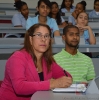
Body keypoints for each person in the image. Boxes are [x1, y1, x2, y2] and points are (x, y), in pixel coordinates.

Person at [0, 23, 72, 100]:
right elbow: (19, 87)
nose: (43, 39)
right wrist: (51, 83)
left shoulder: (47, 60)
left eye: (46, 36)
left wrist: (63, 80)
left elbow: (67, 78)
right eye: (39, 35)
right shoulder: (18, 57)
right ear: (30, 39)